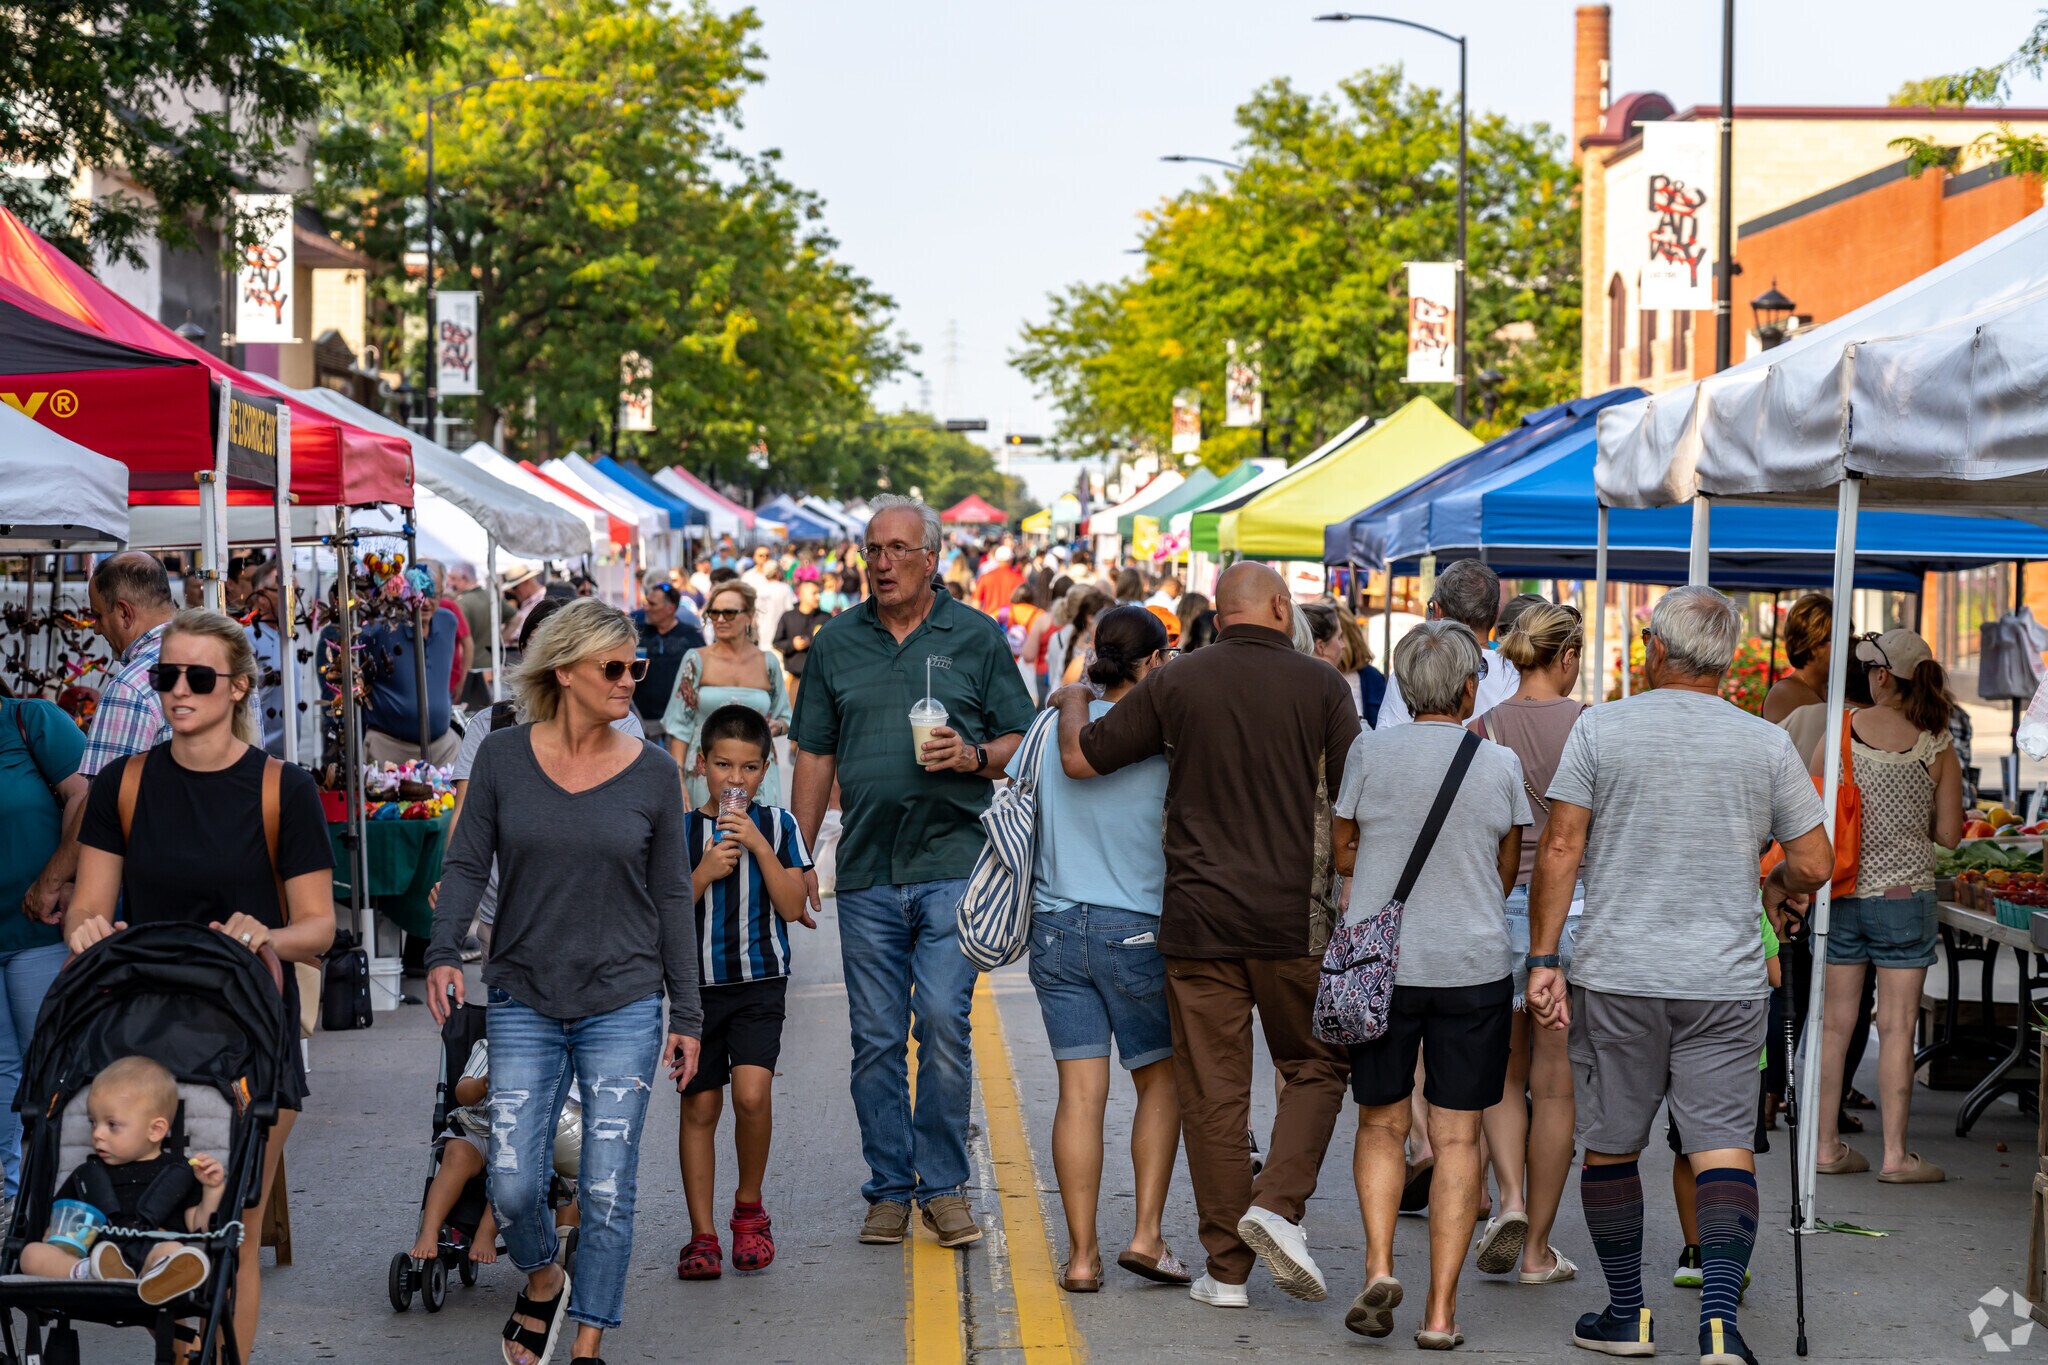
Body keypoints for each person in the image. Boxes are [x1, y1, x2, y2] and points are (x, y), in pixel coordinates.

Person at [1524, 586, 1833, 1365]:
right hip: (1724, 980)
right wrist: (1770, 881)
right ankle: (1720, 1324)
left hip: (1618, 973)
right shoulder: (1764, 742)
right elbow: (1815, 861)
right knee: (1723, 1144)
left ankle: (1627, 1314)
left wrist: (1544, 958)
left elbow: (1559, 846)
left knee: (1612, 1144)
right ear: (1727, 661)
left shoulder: (1601, 727)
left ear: (1656, 649)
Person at [1051, 562, 1358, 1310]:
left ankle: (1226, 1271)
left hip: (1196, 922)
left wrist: (1072, 697)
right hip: (1292, 918)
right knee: (1316, 1065)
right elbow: (1356, 798)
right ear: (1281, 607)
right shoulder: (1324, 687)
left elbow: (1081, 757)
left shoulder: (1177, 681)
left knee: (1213, 1093)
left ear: (1218, 618)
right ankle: (1276, 1203)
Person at [425, 598, 702, 1365]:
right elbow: (466, 862)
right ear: (564, 670)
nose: (630, 680)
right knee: (514, 1182)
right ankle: (544, 1274)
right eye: (613, 666)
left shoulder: (654, 771)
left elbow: (673, 896)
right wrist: (443, 950)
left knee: (607, 1187)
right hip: (524, 995)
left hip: (626, 1001)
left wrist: (688, 1012)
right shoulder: (503, 757)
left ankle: (587, 1343)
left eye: (635, 666)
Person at [65, 607, 337, 1354]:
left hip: (253, 1027)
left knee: (230, 1223)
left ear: (239, 687)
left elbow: (319, 925)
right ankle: (184, 1347)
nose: (178, 690)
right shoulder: (124, 784)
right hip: (149, 1031)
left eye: (197, 677)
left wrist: (267, 934)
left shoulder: (282, 789)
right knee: (163, 1222)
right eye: (165, 676)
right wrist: (85, 928)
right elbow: (88, 905)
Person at [789, 495, 1035, 1250]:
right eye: (872, 549)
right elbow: (814, 756)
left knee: (942, 1023)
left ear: (932, 558)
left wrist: (973, 754)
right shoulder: (835, 643)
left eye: (898, 549)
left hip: (954, 863)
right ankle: (891, 1189)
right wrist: (799, 857)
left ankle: (945, 1186)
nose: (882, 562)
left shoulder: (975, 636)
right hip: (866, 867)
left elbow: (1020, 738)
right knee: (874, 1037)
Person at [1333, 620, 1528, 1346]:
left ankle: (1380, 1265)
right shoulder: (1498, 762)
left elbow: (1344, 849)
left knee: (1382, 1124)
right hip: (1473, 968)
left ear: (1406, 687)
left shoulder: (1368, 751)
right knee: (1457, 1136)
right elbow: (1507, 865)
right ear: (1470, 688)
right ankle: (1441, 1314)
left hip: (1381, 968)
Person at [1017, 607, 1185, 1294]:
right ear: (1153, 663)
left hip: (1056, 925)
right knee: (1160, 1082)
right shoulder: (1162, 734)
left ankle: (1081, 1258)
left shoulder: (1052, 725)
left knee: (1079, 1096)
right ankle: (1146, 1234)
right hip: (1136, 927)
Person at [1810, 629, 1963, 1184]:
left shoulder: (1839, 733)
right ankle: (1897, 1156)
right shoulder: (1937, 744)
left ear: (1880, 676)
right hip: (1906, 899)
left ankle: (1826, 1147)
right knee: (1898, 1028)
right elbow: (1949, 835)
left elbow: (1810, 814)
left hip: (1843, 894)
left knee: (1834, 1027)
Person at [1468, 603, 1586, 1286]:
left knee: (1502, 1074)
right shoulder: (1589, 725)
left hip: (1500, 904)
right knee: (1556, 1085)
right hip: (1574, 905)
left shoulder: (1482, 730)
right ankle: (1538, 1249)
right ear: (1566, 656)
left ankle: (1509, 1196)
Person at [676, 706, 815, 1280]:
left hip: (760, 982)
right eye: (723, 765)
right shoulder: (681, 832)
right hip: (696, 989)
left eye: (750, 768)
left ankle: (749, 1209)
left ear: (765, 770)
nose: (735, 779)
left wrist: (758, 845)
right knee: (700, 1106)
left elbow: (793, 905)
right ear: (701, 764)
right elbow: (662, 916)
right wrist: (704, 871)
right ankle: (701, 1234)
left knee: (752, 1097)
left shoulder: (779, 826)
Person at [20, 1056, 225, 1305]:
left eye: (112, 1125)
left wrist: (213, 1189)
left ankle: (157, 1278)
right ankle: (87, 1273)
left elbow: (199, 1228)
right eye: (93, 1122)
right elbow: (62, 1223)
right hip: (96, 1257)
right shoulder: (87, 1175)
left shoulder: (179, 1174)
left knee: (174, 1251)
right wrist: (54, 1234)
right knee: (31, 1254)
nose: (97, 1133)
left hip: (152, 1254)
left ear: (155, 1130)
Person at [0, 688, 88, 1213]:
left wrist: (59, 879)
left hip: (39, 928)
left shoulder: (30, 720)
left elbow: (86, 796)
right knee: (0, 1070)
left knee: (58, 1065)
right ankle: (7, 1204)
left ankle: (77, 1201)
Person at [664, 581, 792, 808]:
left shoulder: (767, 663)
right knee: (705, 829)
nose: (720, 619)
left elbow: (787, 718)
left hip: (755, 777)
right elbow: (679, 726)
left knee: (756, 829)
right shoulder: (696, 659)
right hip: (706, 772)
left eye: (729, 613)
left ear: (749, 616)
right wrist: (678, 779)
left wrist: (774, 727)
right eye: (714, 613)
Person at [1376, 560, 1518, 730]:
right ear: (1495, 615)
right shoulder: (1516, 673)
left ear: (1437, 612)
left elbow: (1388, 736)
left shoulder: (1412, 668)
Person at [349, 590, 462, 765]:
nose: (424, 602)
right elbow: (354, 674)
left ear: (441, 594)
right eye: (418, 595)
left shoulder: (448, 622)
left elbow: (466, 645)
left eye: (432, 595)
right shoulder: (380, 629)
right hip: (388, 749)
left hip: (442, 749)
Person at [637, 582, 707, 723]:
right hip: (643, 718)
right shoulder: (638, 633)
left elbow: (704, 671)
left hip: (679, 718)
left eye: (652, 604)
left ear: (670, 608)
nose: (646, 608)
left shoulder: (690, 635)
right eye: (646, 603)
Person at [241, 560, 290, 758]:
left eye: (294, 590)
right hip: (260, 755)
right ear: (261, 598)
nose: (292, 598)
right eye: (283, 590)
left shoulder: (288, 638)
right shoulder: (246, 639)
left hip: (289, 754)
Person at [1762, 594, 1834, 724]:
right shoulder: (1784, 693)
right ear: (1815, 645)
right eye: (1839, 639)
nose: (1847, 647)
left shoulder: (1828, 689)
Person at [425, 560, 475, 706]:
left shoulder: (448, 607)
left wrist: (463, 681)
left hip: (449, 684)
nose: (426, 601)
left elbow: (468, 643)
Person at [771, 578, 830, 687]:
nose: (818, 597)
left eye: (819, 593)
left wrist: (812, 641)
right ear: (802, 595)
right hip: (794, 678)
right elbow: (776, 642)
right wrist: (793, 644)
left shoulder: (825, 617)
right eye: (814, 593)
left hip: (820, 679)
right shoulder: (788, 616)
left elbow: (832, 643)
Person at [744, 546, 796, 647]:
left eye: (767, 555)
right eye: (761, 556)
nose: (764, 558)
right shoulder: (748, 577)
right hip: (765, 634)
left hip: (773, 634)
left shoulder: (781, 588)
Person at [501, 565, 546, 655]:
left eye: (515, 587)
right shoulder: (527, 602)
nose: (513, 592)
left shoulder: (544, 598)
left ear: (526, 582)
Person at [973, 545, 1024, 616]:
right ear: (1011, 560)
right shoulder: (1019, 578)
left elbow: (976, 602)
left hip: (990, 618)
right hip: (1010, 618)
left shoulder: (985, 577)